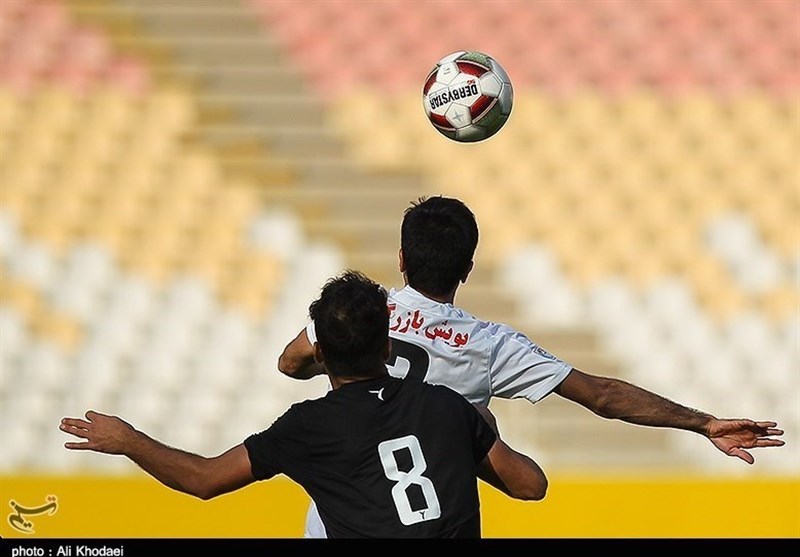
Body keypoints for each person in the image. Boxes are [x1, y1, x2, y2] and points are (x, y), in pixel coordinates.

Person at [278, 195, 786, 538]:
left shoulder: (360, 312)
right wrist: (702, 423)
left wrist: (340, 365)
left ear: (402, 259)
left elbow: (290, 363)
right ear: (467, 269)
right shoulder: (490, 345)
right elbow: (602, 396)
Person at [60, 270, 548, 538]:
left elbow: (203, 480)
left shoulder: (307, 427)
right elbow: (531, 485)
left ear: (320, 354)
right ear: (386, 347)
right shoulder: (447, 406)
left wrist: (128, 440)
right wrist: (477, 429)